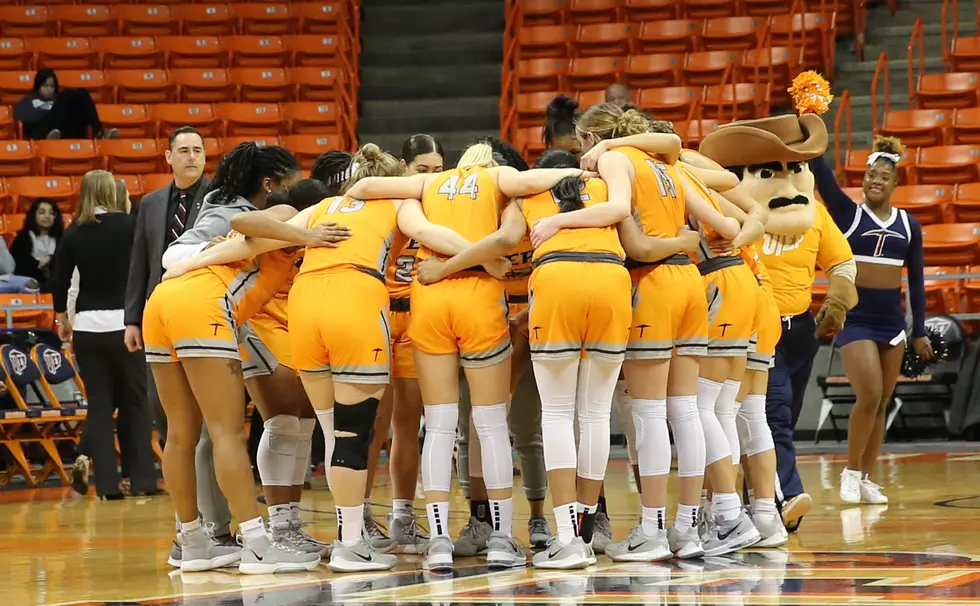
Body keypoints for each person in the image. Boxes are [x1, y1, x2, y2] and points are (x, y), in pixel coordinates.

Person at [220, 142, 486, 571]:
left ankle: (350, 538)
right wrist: (484, 251)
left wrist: (304, 238)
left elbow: (241, 225)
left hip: (305, 306)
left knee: (330, 431)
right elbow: (433, 237)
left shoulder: (325, 206)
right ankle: (350, 542)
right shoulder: (398, 201)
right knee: (353, 435)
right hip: (355, 299)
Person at [344, 142, 589, 572]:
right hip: (477, 299)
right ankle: (499, 538)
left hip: (430, 298)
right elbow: (536, 181)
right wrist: (584, 174)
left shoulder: (429, 182)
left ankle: (438, 541)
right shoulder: (497, 179)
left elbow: (362, 187)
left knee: (436, 425)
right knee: (490, 423)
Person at [417, 146, 632, 569]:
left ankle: (562, 536)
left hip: (550, 285)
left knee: (542, 417)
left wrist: (445, 268)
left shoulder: (524, 197)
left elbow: (501, 240)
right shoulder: (607, 186)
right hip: (613, 280)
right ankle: (587, 531)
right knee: (592, 416)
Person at [555, 104, 738, 562]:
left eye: (580, 143)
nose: (582, 154)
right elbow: (730, 226)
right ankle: (687, 530)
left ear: (590, 137)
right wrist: (683, 241)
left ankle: (653, 530)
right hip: (689, 285)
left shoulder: (616, 160)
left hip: (651, 283)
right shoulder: (665, 164)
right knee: (687, 410)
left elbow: (634, 243)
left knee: (651, 413)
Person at [142, 157, 329, 575]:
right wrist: (307, 232)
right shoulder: (287, 214)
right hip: (203, 305)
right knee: (226, 430)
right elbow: (248, 226)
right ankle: (259, 545)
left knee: (180, 433)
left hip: (164, 301)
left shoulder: (267, 229)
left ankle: (192, 542)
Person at [698, 112, 858, 532]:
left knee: (777, 416)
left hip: (802, 328)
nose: (787, 183)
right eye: (770, 171)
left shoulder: (816, 213)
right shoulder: (733, 214)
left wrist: (838, 301)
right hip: (753, 329)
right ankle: (785, 496)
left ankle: (759, 497)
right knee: (773, 415)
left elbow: (842, 262)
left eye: (796, 168)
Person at [811, 136, 931, 504]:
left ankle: (865, 475)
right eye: (870, 175)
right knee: (870, 394)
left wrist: (919, 331)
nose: (875, 181)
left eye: (883, 176)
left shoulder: (908, 225)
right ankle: (849, 472)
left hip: (892, 322)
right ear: (863, 180)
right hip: (856, 318)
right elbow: (823, 174)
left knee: (882, 403)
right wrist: (811, 131)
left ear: (896, 183)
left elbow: (915, 280)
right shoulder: (848, 214)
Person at [452, 138, 553, 555]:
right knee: (468, 427)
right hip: (481, 328)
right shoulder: (469, 221)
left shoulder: (533, 213)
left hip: (533, 329)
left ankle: (536, 517)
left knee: (527, 430)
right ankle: (479, 519)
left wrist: (527, 319)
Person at [51, 172, 157, 500]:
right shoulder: (130, 226)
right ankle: (142, 481)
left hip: (86, 328)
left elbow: (59, 279)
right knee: (135, 404)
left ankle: (108, 487)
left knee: (99, 405)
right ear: (113, 192)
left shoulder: (73, 232)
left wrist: (63, 319)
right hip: (126, 328)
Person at [372, 134, 445, 554]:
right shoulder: (385, 201)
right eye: (423, 170)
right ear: (403, 167)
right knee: (372, 424)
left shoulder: (446, 205)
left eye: (438, 170)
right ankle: (361, 516)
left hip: (418, 315)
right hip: (379, 315)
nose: (432, 178)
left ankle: (402, 517)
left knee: (406, 425)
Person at [125, 126, 209, 444]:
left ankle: (207, 479)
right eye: (185, 150)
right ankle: (177, 468)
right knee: (159, 401)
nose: (192, 157)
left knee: (203, 398)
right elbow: (140, 263)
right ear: (169, 157)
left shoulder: (219, 198)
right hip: (157, 311)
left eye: (198, 150)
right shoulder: (151, 202)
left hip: (200, 309)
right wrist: (132, 319)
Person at [13, 69, 118, 140]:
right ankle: (51, 134)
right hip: (42, 130)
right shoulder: (29, 99)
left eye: (52, 86)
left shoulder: (58, 99)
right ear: (38, 85)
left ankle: (100, 133)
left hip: (65, 130)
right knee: (67, 93)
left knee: (82, 93)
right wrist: (48, 113)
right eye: (45, 86)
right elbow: (20, 115)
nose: (49, 89)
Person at [10, 198, 64, 292]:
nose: (47, 216)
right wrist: (38, 265)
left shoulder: (62, 238)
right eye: (42, 212)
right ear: (33, 215)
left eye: (51, 213)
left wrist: (51, 260)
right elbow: (18, 265)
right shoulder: (23, 237)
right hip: (30, 281)